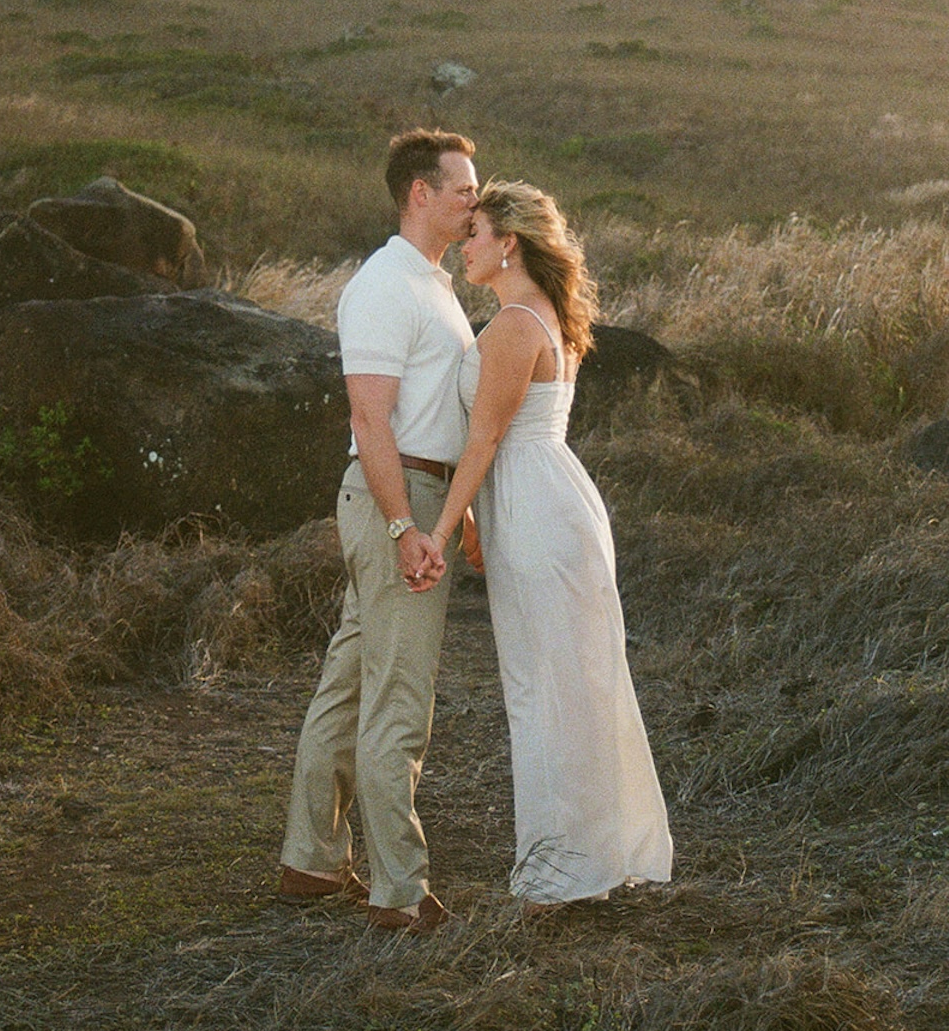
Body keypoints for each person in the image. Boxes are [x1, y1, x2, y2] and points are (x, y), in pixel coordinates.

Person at [420, 179, 672, 910]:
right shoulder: (548, 317)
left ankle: (561, 870)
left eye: (475, 233)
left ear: (509, 244)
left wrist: (441, 527)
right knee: (573, 680)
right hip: (553, 498)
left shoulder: (512, 328)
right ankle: (589, 853)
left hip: (535, 508)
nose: (464, 245)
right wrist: (471, 523)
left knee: (545, 687)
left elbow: (485, 439)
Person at [279, 128, 479, 933]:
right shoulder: (384, 284)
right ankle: (401, 890)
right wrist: (406, 525)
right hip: (395, 496)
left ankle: (311, 860)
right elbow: (369, 416)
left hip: (419, 497)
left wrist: (446, 515)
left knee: (352, 682)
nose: (475, 199)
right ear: (418, 194)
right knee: (398, 697)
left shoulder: (431, 281)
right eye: (462, 188)